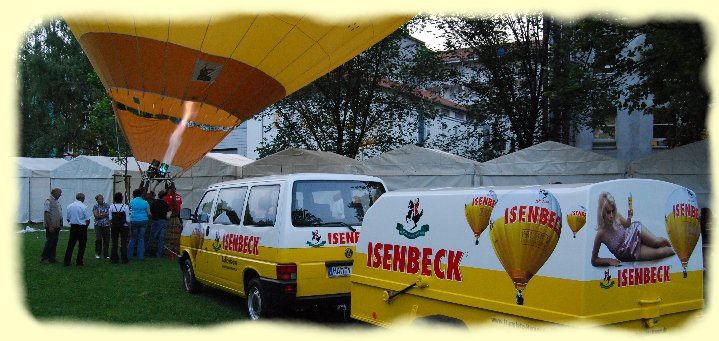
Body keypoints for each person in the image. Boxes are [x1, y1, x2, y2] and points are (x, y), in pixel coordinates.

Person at [591, 192, 675, 267]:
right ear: (601, 212)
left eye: (613, 211)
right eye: (608, 212)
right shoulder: (601, 233)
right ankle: (679, 253)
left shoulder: (617, 216)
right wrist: (609, 261)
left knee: (658, 242)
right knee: (661, 252)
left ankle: (679, 250)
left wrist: (629, 217)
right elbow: (594, 260)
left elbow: (627, 225)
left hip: (633, 232)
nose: (612, 215)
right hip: (628, 251)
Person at [63, 192, 92, 266]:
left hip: (73, 227)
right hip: (81, 227)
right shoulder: (84, 207)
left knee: (70, 245)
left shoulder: (69, 206)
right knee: (82, 245)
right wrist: (85, 227)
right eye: (84, 198)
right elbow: (88, 219)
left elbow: (68, 218)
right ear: (82, 198)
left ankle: (67, 261)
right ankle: (79, 261)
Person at [41, 188, 63, 264]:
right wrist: (50, 226)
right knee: (50, 241)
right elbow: (47, 213)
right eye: (60, 193)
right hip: (51, 225)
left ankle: (52, 257)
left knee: (54, 242)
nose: (61, 194)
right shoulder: (48, 201)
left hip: (56, 225)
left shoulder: (56, 201)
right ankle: (45, 258)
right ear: (55, 192)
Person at [128, 188, 151, 261]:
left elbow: (128, 211)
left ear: (134, 195)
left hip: (134, 220)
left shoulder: (131, 202)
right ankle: (140, 257)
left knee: (132, 239)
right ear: (141, 194)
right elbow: (149, 213)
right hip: (143, 221)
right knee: (141, 239)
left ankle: (128, 256)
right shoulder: (145, 202)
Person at [109, 192, 130, 264]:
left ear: (114, 199)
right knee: (123, 243)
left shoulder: (111, 206)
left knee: (114, 243)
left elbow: (110, 218)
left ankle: (114, 259)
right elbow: (127, 219)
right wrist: (128, 225)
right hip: (124, 226)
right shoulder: (125, 206)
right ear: (122, 199)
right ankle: (124, 259)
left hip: (114, 226)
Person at [149, 190, 169, 257]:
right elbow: (167, 211)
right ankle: (159, 253)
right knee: (161, 238)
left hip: (155, 221)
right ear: (164, 196)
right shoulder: (165, 204)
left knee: (153, 237)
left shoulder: (154, 203)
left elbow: (151, 211)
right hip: (162, 221)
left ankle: (148, 252)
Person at [93, 194, 111, 260]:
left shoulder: (107, 205)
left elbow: (109, 213)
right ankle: (98, 253)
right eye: (100, 199)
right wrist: (104, 214)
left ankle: (106, 254)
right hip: (98, 225)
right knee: (98, 239)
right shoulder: (95, 206)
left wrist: (100, 214)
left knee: (106, 239)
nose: (102, 200)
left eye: (102, 198)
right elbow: (96, 216)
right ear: (97, 200)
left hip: (106, 225)